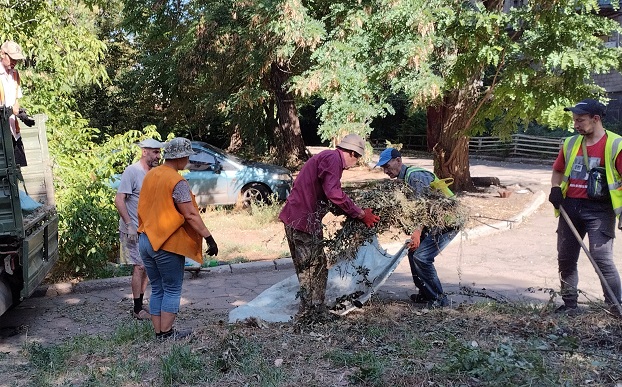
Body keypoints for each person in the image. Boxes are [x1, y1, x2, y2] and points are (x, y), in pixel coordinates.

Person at [279, 134, 380, 318]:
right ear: (352, 153)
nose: (356, 163)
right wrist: (360, 213)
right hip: (303, 223)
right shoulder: (333, 160)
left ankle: (312, 310)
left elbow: (327, 193)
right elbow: (334, 192)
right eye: (357, 158)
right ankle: (311, 314)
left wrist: (345, 209)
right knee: (313, 270)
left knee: (307, 270)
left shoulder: (326, 157)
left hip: (295, 219)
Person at [137, 137, 218, 340]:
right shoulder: (177, 181)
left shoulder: (151, 175)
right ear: (180, 156)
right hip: (166, 243)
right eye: (187, 155)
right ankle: (167, 333)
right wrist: (208, 237)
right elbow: (190, 214)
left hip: (145, 240)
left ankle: (159, 333)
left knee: (157, 288)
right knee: (172, 289)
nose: (188, 160)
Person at [548, 98, 622, 315]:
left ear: (596, 119)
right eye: (574, 120)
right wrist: (555, 189)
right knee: (566, 257)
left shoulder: (616, 145)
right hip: (570, 207)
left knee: (602, 258)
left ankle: (616, 307)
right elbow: (559, 170)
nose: (576, 125)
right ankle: (570, 305)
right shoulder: (571, 143)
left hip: (600, 210)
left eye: (580, 120)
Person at [376, 148, 460, 307]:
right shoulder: (405, 178)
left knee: (422, 257)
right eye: (383, 168)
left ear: (398, 161)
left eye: (387, 166)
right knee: (413, 251)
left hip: (449, 220)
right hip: (435, 220)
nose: (385, 171)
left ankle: (439, 300)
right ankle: (426, 294)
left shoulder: (415, 176)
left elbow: (422, 207)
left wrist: (417, 232)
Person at [114, 138, 163, 320]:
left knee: (147, 267)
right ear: (144, 152)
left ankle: (140, 305)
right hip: (133, 228)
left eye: (159, 152)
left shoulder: (154, 172)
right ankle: (136, 309)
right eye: (155, 152)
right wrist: (129, 225)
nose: (158, 156)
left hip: (148, 229)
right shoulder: (132, 171)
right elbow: (119, 200)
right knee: (140, 266)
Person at [0, 40, 31, 166]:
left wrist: (20, 113)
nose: (14, 62)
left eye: (16, 59)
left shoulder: (15, 75)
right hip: (1, 134)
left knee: (16, 169)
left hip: (13, 131)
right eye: (12, 58)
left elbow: (16, 101)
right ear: (2, 54)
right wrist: (8, 110)